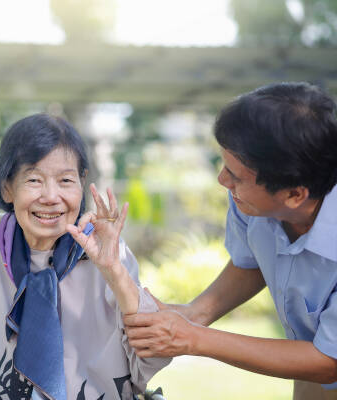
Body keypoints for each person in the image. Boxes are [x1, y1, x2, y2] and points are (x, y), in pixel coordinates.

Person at [0, 113, 170, 400]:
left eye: (66, 180)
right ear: (7, 187)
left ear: (82, 182)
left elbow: (150, 357)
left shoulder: (105, 249)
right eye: (34, 180)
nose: (51, 196)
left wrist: (113, 270)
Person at [122, 82, 337, 399]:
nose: (223, 180)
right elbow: (254, 260)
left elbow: (328, 360)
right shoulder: (254, 204)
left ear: (294, 194)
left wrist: (193, 338)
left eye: (236, 176)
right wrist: (194, 314)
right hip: (311, 373)